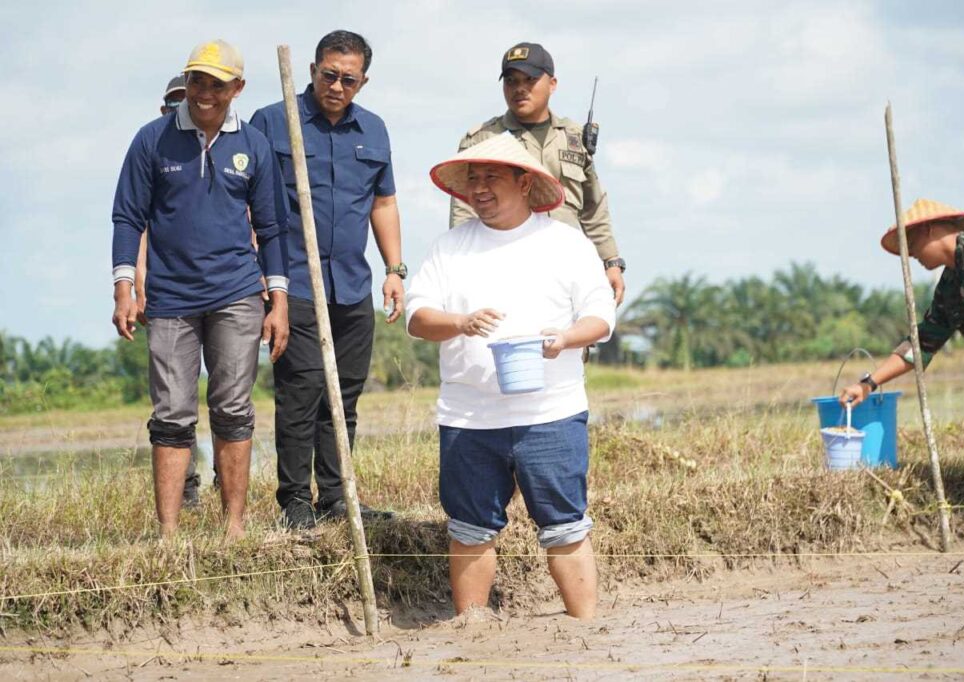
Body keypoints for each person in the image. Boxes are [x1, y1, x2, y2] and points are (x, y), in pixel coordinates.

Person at [407, 134, 617, 619]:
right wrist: (460, 323)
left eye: (491, 178)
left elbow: (600, 316)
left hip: (551, 412)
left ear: (525, 183)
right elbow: (418, 318)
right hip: (469, 416)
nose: (479, 189)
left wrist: (565, 339)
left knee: (565, 525)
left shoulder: (565, 242)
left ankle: (585, 629)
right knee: (468, 527)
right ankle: (471, 630)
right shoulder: (450, 247)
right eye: (472, 179)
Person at [111, 39, 289, 540]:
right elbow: (128, 216)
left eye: (215, 83)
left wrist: (278, 301)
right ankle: (168, 532)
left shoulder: (253, 144)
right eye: (195, 81)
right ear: (184, 82)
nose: (203, 93)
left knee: (233, 407)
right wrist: (125, 287)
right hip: (169, 299)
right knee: (171, 412)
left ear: (237, 88)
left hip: (237, 294)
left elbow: (273, 228)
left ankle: (234, 526)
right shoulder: (152, 140)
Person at [250, 30, 404, 530]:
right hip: (292, 281)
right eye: (329, 75)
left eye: (349, 79)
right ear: (314, 69)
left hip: (352, 284)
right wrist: (262, 279)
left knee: (347, 394)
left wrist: (394, 269)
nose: (338, 86)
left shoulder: (374, 130)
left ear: (364, 80)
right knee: (302, 388)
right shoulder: (273, 122)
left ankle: (337, 498)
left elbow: (383, 203)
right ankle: (294, 501)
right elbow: (248, 204)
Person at [840, 199, 964, 542]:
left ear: (928, 229)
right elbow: (922, 343)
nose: (909, 256)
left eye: (909, 245)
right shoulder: (952, 287)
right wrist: (867, 383)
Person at [451, 42, 626, 306]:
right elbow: (464, 211)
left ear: (552, 84)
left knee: (572, 341)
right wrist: (463, 267)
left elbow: (592, 208)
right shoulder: (484, 139)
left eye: (530, 79)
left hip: (570, 265)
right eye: (511, 81)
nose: (519, 88)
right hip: (506, 265)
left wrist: (610, 262)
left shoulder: (574, 138)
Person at [134, 72, 206, 509]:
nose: (188, 107)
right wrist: (137, 281)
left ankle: (221, 480)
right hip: (169, 293)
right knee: (172, 399)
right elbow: (136, 221)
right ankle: (186, 486)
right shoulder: (154, 152)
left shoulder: (231, 148)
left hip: (225, 290)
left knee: (230, 399)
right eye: (174, 103)